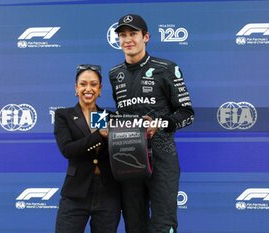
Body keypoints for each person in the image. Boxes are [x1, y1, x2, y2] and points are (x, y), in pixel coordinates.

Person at [109, 14, 195, 233]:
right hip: (128, 156)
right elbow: (121, 113)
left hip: (162, 156)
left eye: (133, 34)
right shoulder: (114, 74)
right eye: (122, 35)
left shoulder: (166, 68)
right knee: (134, 226)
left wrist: (160, 123)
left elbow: (187, 113)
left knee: (163, 225)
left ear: (145, 37)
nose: (127, 39)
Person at [54, 64, 121, 233]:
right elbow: (67, 150)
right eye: (83, 84)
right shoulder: (64, 115)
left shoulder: (111, 117)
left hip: (108, 194)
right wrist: (99, 135)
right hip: (75, 193)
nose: (88, 89)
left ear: (100, 89)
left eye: (93, 84)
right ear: (76, 88)